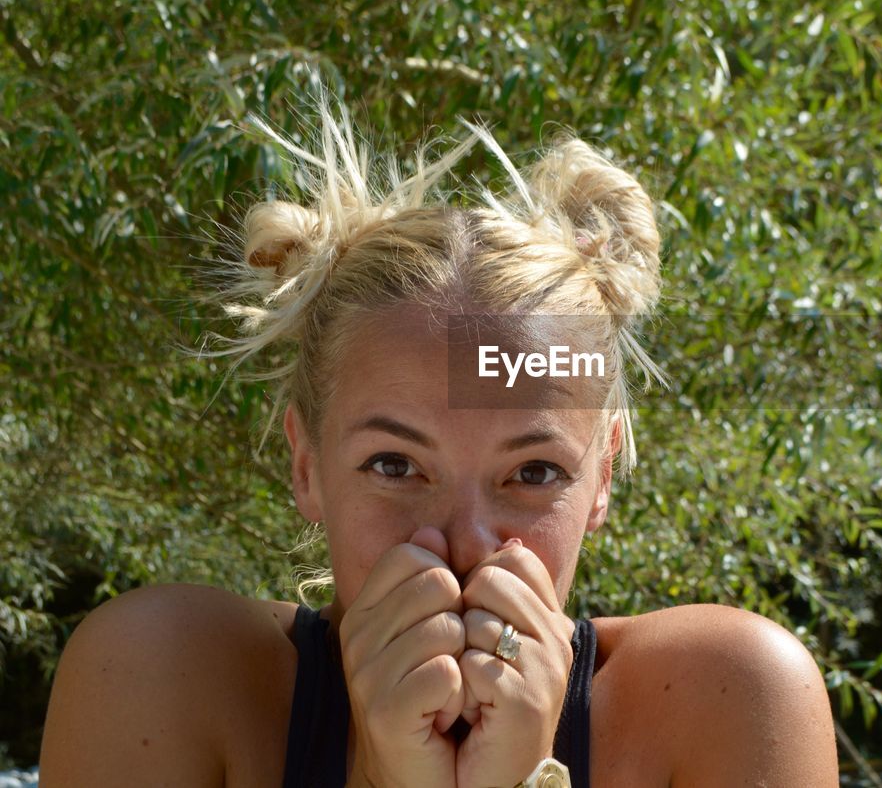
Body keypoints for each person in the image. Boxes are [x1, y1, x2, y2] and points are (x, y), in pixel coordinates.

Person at [38, 98, 840, 787]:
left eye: (534, 471)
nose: (465, 545)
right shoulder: (161, 674)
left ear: (601, 479)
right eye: (395, 465)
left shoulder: (729, 696)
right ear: (307, 464)